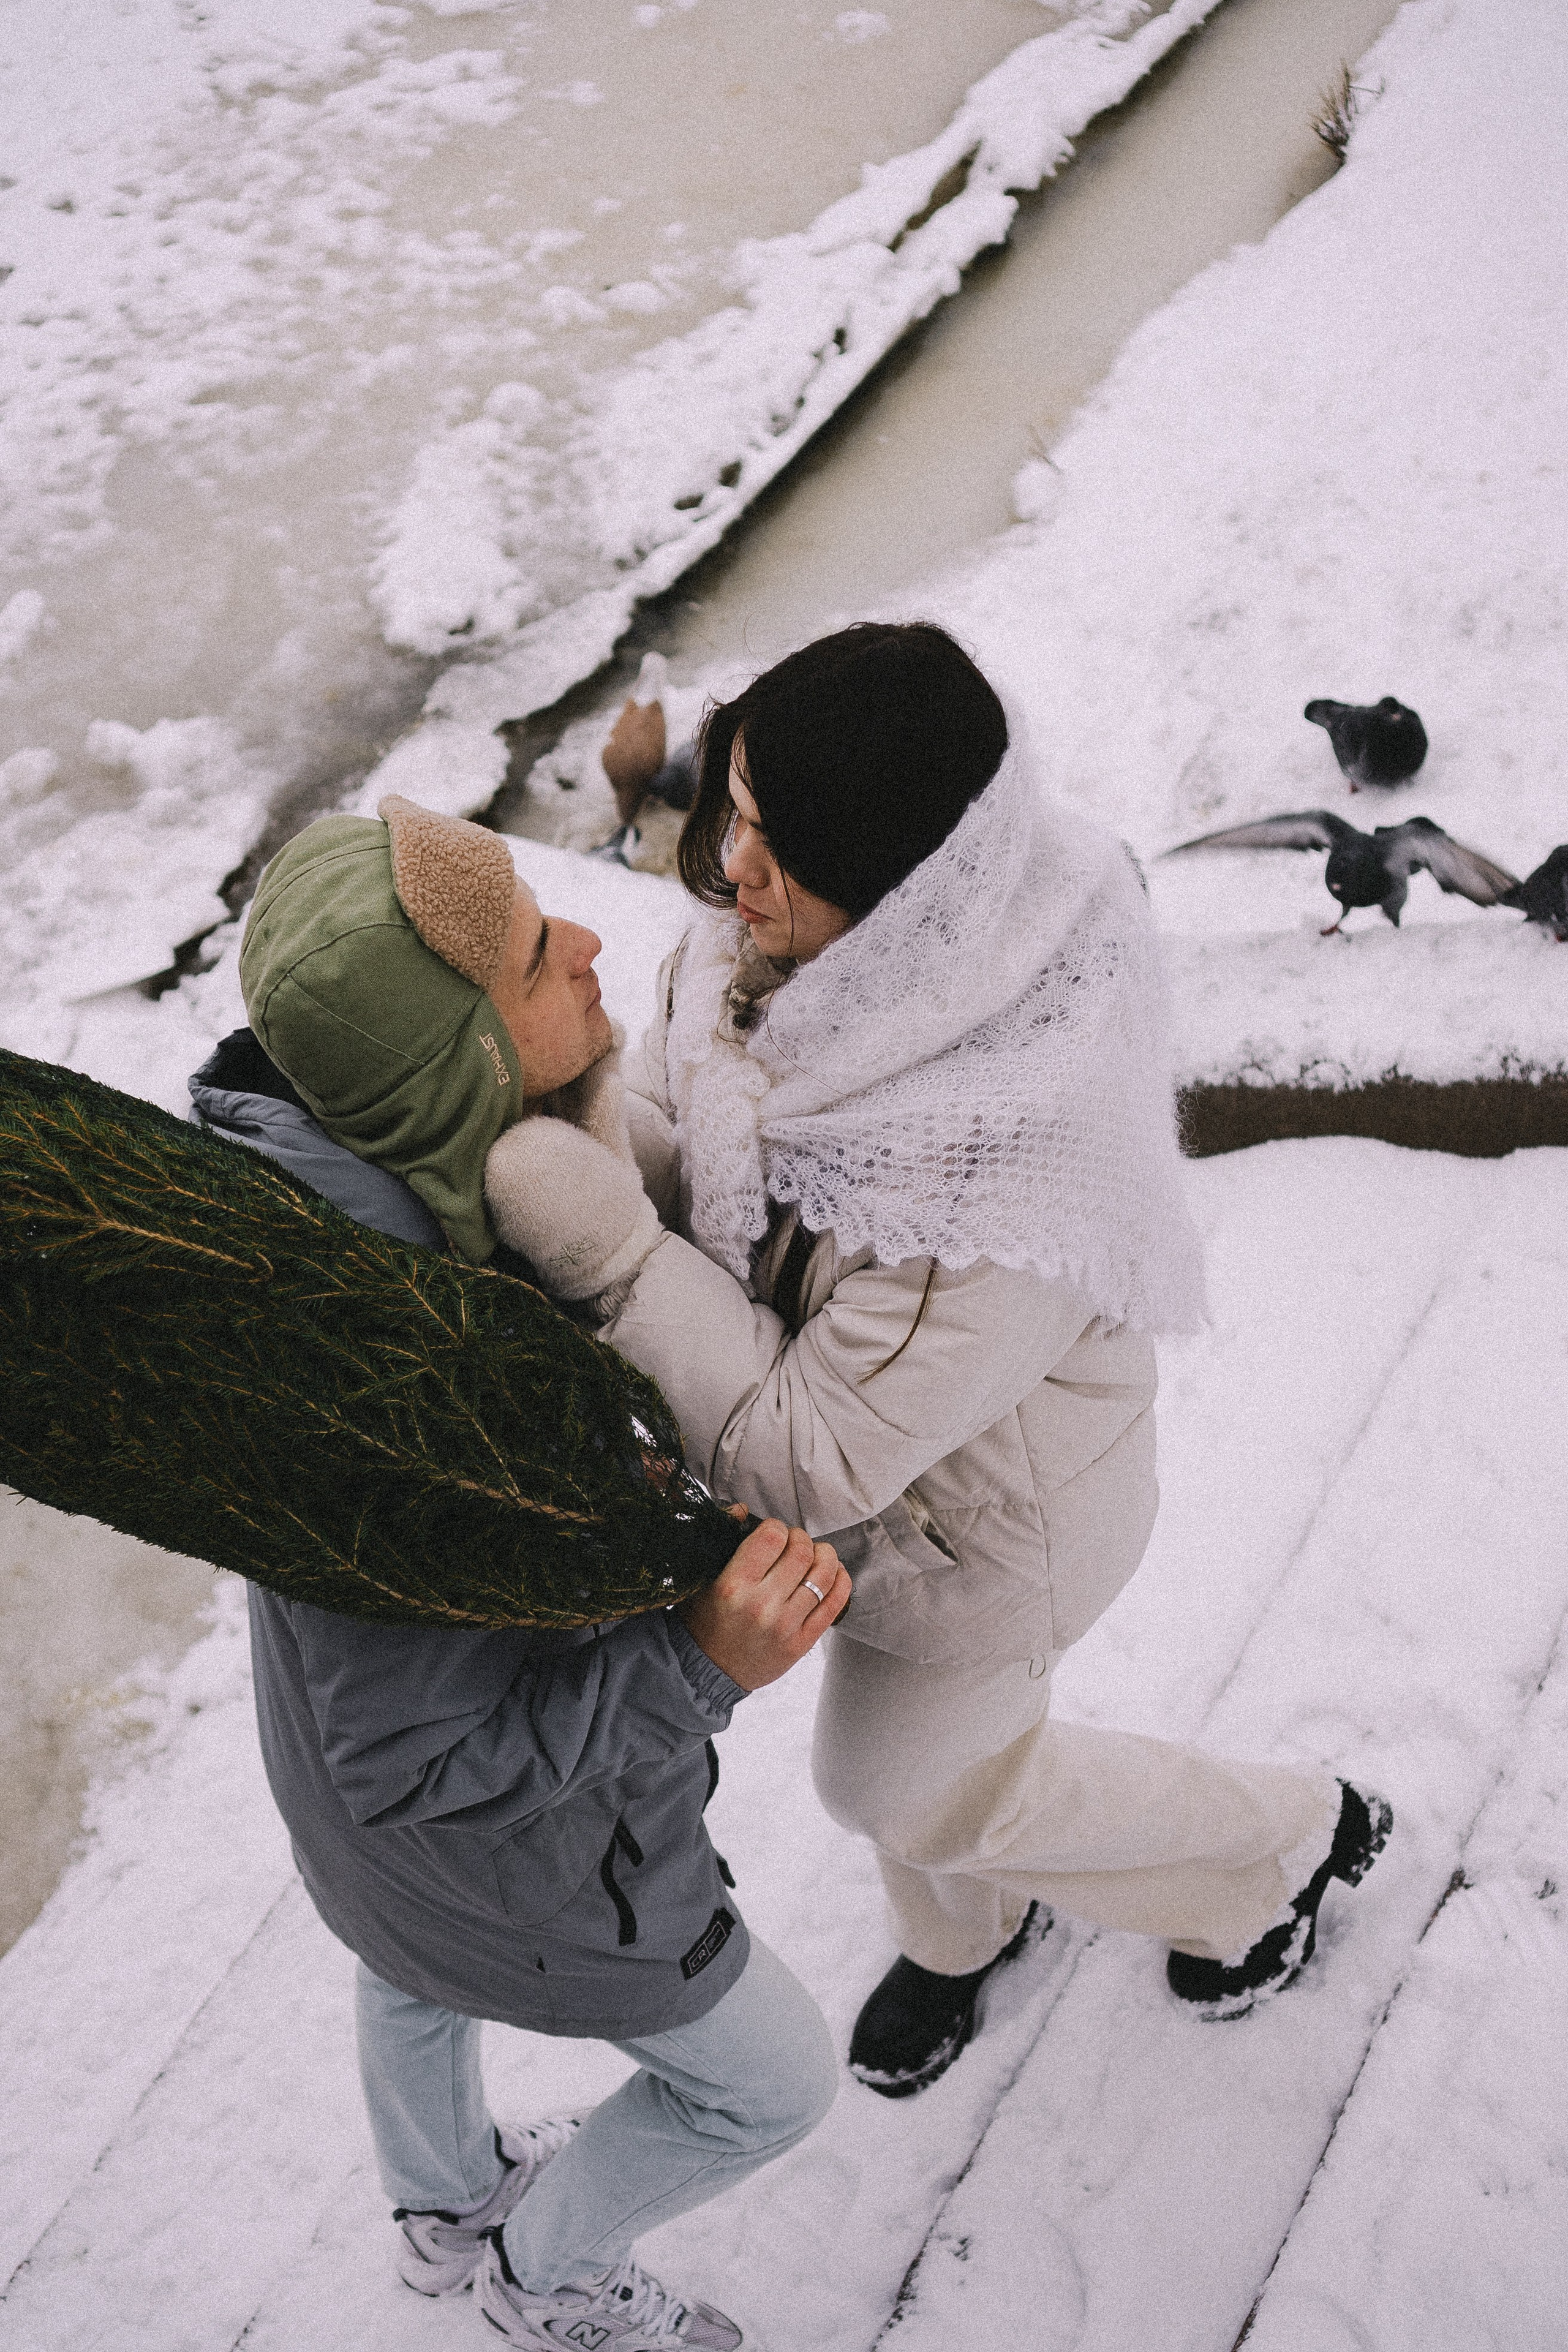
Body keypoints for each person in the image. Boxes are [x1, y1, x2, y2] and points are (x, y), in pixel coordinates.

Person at [484, 621, 1393, 2098]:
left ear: (912, 903)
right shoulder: (784, 948)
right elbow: (691, 1127)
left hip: (988, 1535)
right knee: (941, 1788)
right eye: (739, 817)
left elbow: (814, 1449)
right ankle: (968, 1935)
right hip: (878, 1500)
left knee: (896, 1780)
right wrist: (585, 1106)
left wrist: (606, 1257)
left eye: (780, 852)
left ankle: (1279, 1844)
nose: (729, 875)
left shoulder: (989, 1156)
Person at [192, 793, 849, 2350]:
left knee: (404, 1967)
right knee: (770, 2085)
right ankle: (543, 2278)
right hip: (529, 1862)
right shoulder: (409, 1380)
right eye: (533, 962)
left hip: (370, 1858)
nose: (590, 940)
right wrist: (698, 1664)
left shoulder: (316, 1215)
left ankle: (435, 2211)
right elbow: (418, 1753)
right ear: (449, 1073)